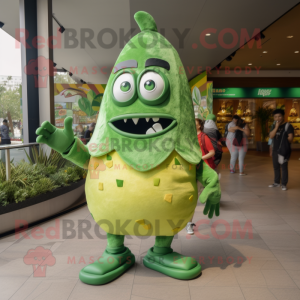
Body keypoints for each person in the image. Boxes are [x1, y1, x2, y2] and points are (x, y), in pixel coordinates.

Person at [186, 118, 216, 235]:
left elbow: (212, 152)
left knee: (193, 199)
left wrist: (199, 159)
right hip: (189, 170)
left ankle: (189, 224)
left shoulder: (204, 137)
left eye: (194, 123)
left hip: (200, 170)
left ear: (199, 126)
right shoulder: (190, 137)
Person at [268, 109, 294, 191]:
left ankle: (283, 184)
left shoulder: (288, 126)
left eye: (279, 116)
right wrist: (276, 127)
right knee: (276, 167)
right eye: (275, 117)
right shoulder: (273, 126)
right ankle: (276, 183)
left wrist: (284, 139)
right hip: (275, 149)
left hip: (283, 150)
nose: (277, 118)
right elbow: (271, 136)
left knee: (283, 167)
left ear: (283, 117)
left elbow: (290, 139)